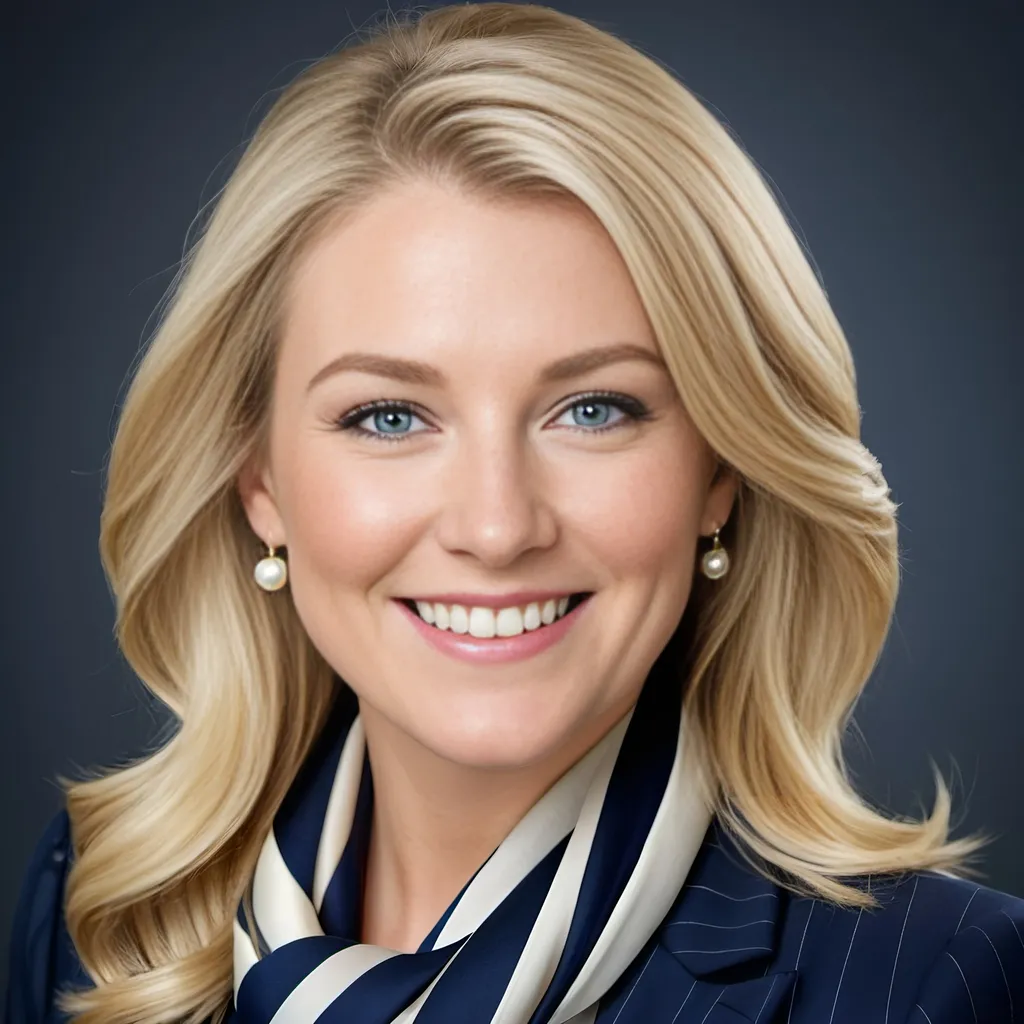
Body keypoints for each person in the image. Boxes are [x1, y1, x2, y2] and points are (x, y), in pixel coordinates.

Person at [6, 4, 1023, 1023]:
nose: (496, 528)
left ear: (720, 468)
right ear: (257, 480)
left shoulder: (931, 982)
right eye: (390, 415)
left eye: (593, 409)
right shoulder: (105, 910)